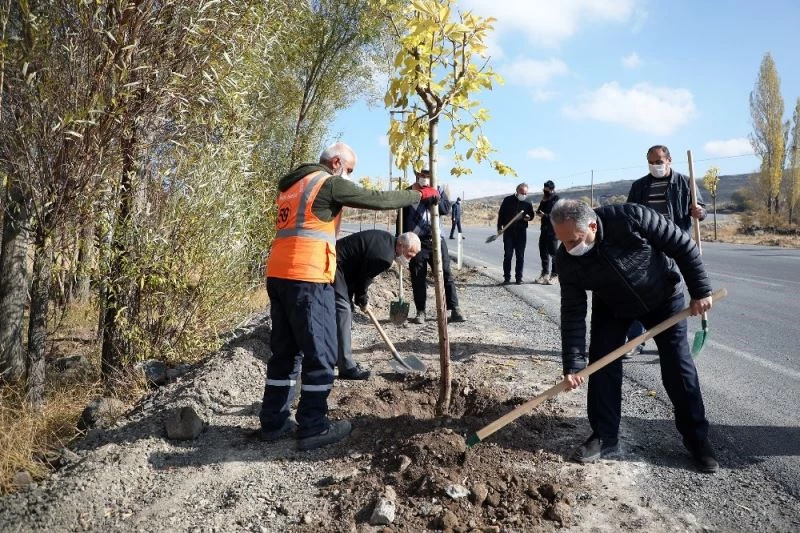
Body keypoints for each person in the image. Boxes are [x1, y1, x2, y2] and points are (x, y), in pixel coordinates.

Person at [261, 142, 438, 451]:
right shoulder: (326, 183)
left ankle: (273, 423)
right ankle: (314, 427)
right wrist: (416, 195)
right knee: (322, 354)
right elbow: (376, 199)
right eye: (350, 170)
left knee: (285, 353)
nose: (349, 176)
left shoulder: (292, 185)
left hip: (278, 275)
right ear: (337, 162)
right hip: (308, 275)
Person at [551, 199, 718, 473]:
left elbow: (682, 246)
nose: (569, 248)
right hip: (613, 307)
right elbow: (572, 312)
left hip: (663, 297)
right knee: (602, 364)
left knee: (678, 366)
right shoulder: (566, 259)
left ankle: (697, 439)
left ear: (592, 225)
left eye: (574, 240)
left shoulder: (630, 217)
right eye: (563, 242)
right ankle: (604, 436)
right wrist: (573, 365)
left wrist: (700, 291)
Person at [624, 145, 708, 357]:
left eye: (659, 162)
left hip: (676, 244)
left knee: (673, 293)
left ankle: (672, 343)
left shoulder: (685, 183)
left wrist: (700, 212)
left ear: (669, 160)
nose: (655, 166)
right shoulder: (640, 186)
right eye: (651, 163)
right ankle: (635, 341)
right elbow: (629, 214)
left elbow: (701, 210)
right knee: (639, 292)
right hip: (646, 246)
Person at [334, 230, 421, 380]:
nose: (408, 260)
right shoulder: (384, 257)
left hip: (342, 269)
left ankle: (339, 358)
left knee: (344, 311)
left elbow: (361, 270)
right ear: (400, 245)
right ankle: (346, 367)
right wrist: (362, 298)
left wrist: (359, 298)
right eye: (408, 255)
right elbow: (364, 278)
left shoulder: (387, 240)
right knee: (343, 312)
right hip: (333, 265)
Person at [401, 169, 465, 324]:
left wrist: (434, 197)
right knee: (417, 275)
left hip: (436, 237)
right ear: (416, 175)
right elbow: (402, 218)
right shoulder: (409, 192)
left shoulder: (439, 189)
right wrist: (402, 242)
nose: (424, 178)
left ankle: (455, 309)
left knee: (446, 274)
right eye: (422, 175)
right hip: (415, 240)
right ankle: (420, 311)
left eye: (427, 176)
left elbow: (445, 209)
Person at [496, 183, 535, 285]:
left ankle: (519, 278)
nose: (524, 195)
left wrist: (528, 217)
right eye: (522, 193)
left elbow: (531, 215)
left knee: (520, 256)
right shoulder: (507, 200)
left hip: (521, 233)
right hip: (508, 232)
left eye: (525, 193)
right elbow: (501, 215)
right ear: (517, 191)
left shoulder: (527, 202)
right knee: (508, 255)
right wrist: (499, 227)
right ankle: (507, 278)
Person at [535, 180, 560, 285]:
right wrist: (539, 211)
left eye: (546, 190)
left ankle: (555, 275)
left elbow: (556, 214)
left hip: (553, 230)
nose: (545, 191)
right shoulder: (544, 199)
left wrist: (544, 215)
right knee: (543, 252)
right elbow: (539, 210)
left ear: (551, 189)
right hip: (544, 229)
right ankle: (544, 273)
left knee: (554, 253)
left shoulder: (556, 199)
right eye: (544, 189)